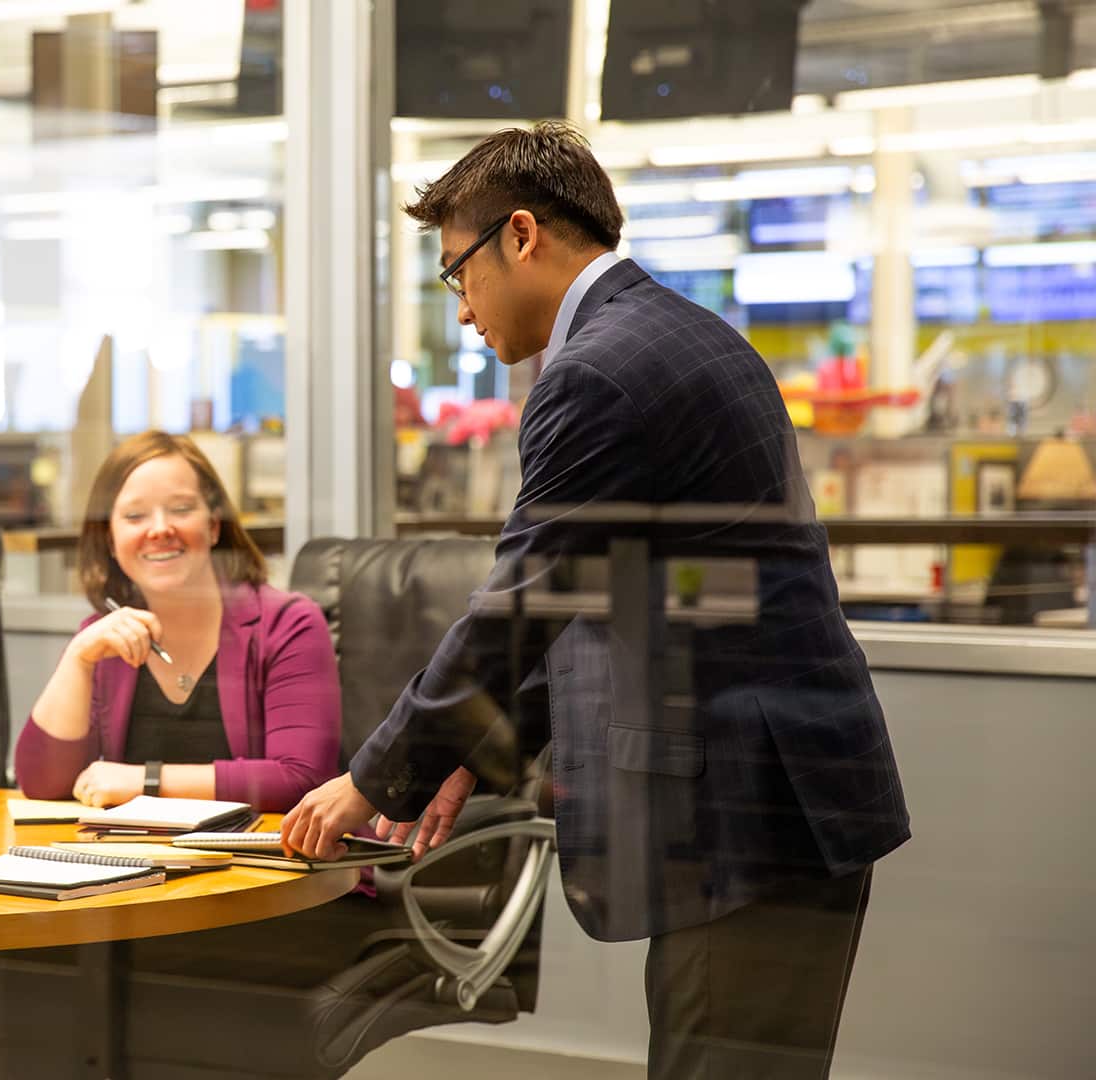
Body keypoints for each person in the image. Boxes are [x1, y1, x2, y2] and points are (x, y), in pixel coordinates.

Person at [281, 122, 911, 1079]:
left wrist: (373, 779)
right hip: (776, 797)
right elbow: (608, 589)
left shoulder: (598, 372)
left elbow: (518, 606)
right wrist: (475, 754)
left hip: (750, 811)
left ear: (523, 236)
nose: (461, 310)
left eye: (457, 273)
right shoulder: (671, 333)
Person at [15, 430, 340, 812]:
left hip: (266, 865)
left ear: (214, 526)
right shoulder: (103, 639)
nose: (159, 529)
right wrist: (77, 660)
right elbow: (41, 784)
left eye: (181, 509)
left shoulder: (288, 624)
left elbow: (301, 779)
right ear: (110, 540)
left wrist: (145, 781)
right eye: (135, 516)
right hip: (139, 864)